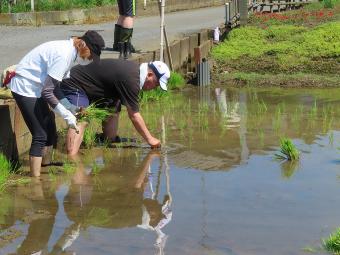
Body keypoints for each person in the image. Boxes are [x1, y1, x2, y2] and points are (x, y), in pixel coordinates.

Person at [8, 30, 105, 177]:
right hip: (25, 86)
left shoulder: (71, 53)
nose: (89, 59)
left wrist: (70, 107)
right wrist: (67, 116)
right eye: (90, 55)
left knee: (50, 122)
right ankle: (36, 180)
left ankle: (45, 165)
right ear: (83, 45)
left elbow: (56, 87)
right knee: (39, 134)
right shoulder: (64, 55)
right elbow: (48, 92)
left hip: (37, 87)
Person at [59, 59, 171, 155]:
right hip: (74, 82)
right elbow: (134, 116)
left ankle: (107, 139)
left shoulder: (135, 74)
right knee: (83, 118)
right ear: (149, 75)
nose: (155, 87)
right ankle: (72, 157)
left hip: (96, 87)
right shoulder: (132, 79)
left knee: (114, 104)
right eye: (156, 84)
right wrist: (150, 139)